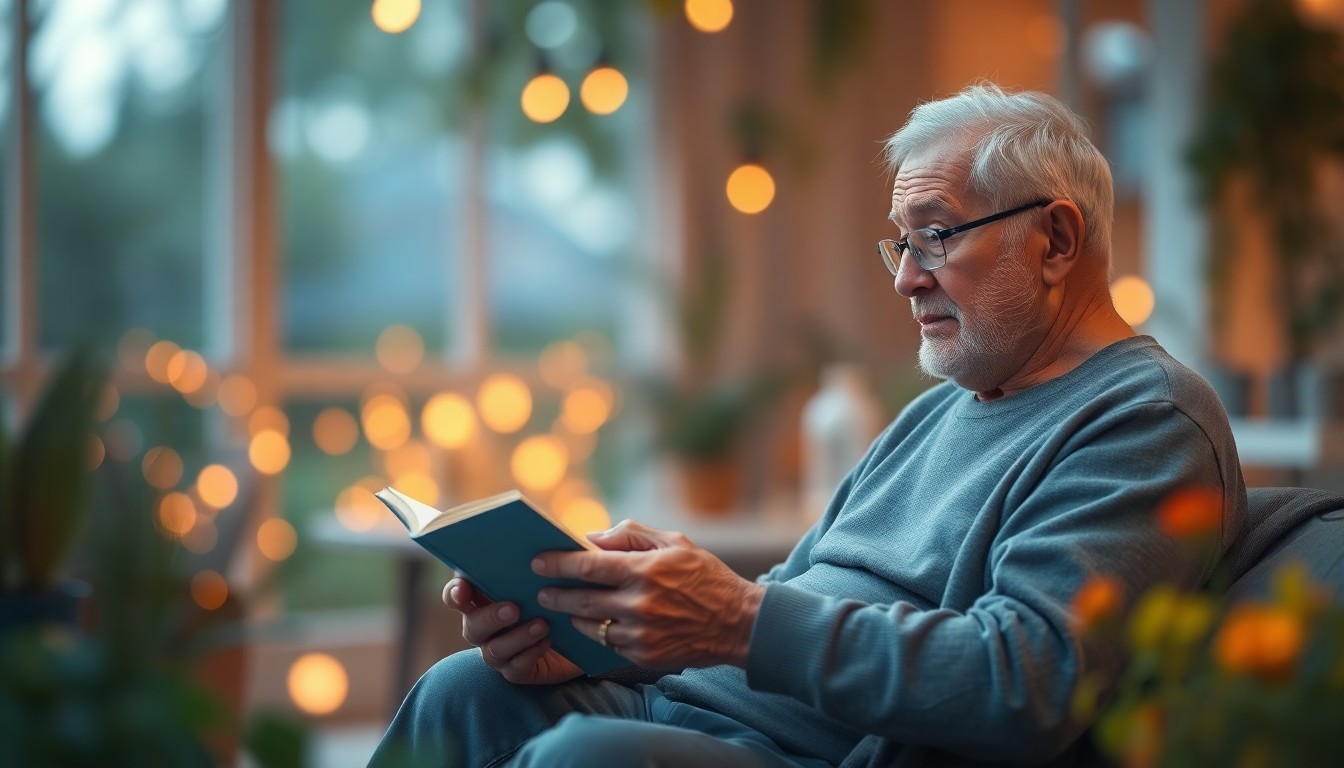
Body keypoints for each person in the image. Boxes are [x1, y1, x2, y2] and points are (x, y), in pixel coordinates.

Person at [369, 83, 1247, 768]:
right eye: (899, 245)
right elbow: (802, 597)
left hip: (815, 756)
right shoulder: (937, 412)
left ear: (1056, 241)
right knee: (462, 692)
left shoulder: (1145, 420)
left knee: (586, 757)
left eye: (935, 236)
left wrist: (738, 618)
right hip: (696, 710)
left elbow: (1026, 680)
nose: (906, 278)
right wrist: (609, 646)